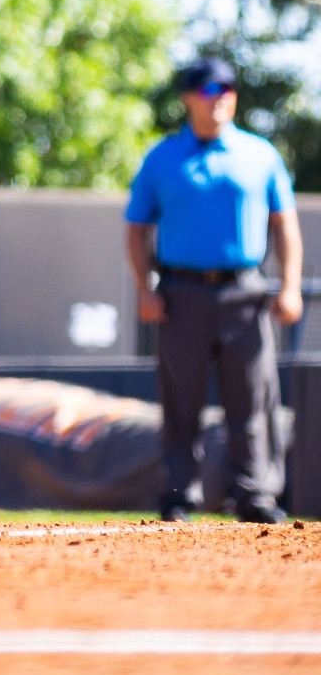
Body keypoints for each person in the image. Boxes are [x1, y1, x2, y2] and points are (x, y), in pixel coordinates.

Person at [125, 57, 304, 524]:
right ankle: (179, 495)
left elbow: (284, 225)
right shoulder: (163, 157)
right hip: (181, 293)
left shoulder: (260, 154)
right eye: (208, 90)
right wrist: (144, 288)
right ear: (188, 98)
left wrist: (289, 286)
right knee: (181, 402)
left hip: (244, 291)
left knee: (252, 400)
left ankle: (255, 494)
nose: (219, 98)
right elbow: (136, 228)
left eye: (227, 89)